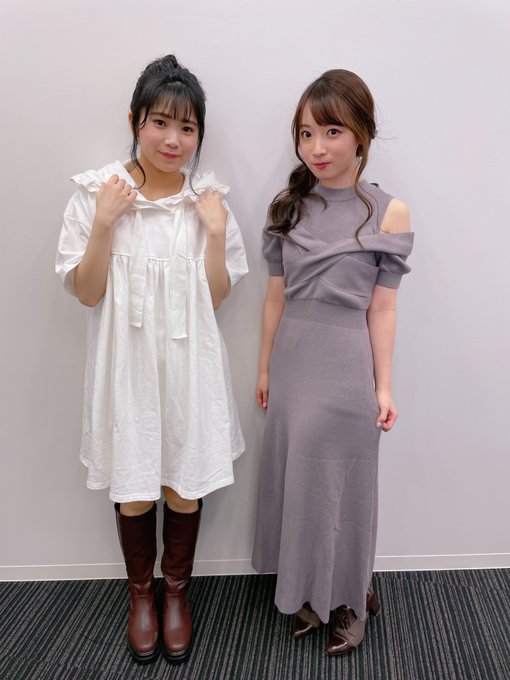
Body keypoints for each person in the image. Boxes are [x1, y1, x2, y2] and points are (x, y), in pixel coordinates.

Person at [56, 55, 248, 665]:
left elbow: (216, 297)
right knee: (136, 486)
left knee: (183, 485)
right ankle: (141, 595)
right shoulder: (98, 194)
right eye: (160, 122)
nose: (173, 140)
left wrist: (213, 233)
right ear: (135, 121)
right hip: (127, 368)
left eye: (187, 128)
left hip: (191, 367)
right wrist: (104, 224)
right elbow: (88, 293)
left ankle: (175, 594)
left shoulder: (208, 202)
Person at [252, 69, 413, 656]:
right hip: (294, 361)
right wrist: (265, 368)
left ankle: (349, 596)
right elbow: (275, 298)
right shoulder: (287, 207)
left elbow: (383, 308)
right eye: (305, 134)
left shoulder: (388, 212)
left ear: (361, 135)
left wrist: (384, 387)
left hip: (347, 365)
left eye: (331, 131)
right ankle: (304, 588)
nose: (316, 148)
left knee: (344, 487)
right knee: (300, 481)